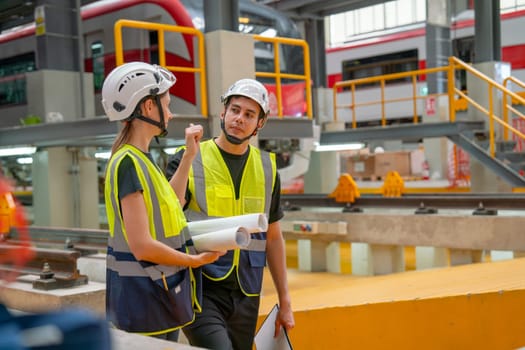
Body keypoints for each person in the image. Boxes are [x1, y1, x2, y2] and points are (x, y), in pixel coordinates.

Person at [166, 78, 295, 349]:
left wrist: (285, 302)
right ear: (223, 112)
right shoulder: (189, 157)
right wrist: (188, 158)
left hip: (247, 292)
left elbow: (273, 238)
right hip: (200, 286)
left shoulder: (267, 168)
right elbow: (167, 211)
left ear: (260, 123)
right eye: (235, 110)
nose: (239, 118)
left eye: (249, 114)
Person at [101, 62, 223, 341]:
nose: (170, 112)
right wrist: (194, 261)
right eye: (166, 105)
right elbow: (142, 246)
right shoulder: (128, 163)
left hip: (159, 293)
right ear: (147, 107)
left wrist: (190, 157)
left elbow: (174, 202)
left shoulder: (142, 159)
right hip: (145, 300)